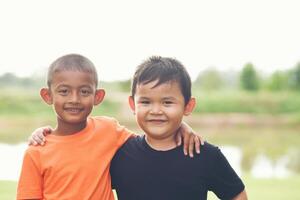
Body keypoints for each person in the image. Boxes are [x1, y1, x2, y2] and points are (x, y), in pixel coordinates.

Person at [17, 54, 202, 200]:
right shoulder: (37, 151)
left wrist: (181, 126)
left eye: (84, 91)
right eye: (64, 91)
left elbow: (150, 139)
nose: (74, 99)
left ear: (97, 96)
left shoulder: (108, 130)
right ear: (47, 96)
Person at [110, 56, 248, 200]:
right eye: (145, 102)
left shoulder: (204, 154)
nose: (156, 111)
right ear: (133, 105)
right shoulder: (120, 154)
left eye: (167, 102)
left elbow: (237, 195)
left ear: (188, 106)